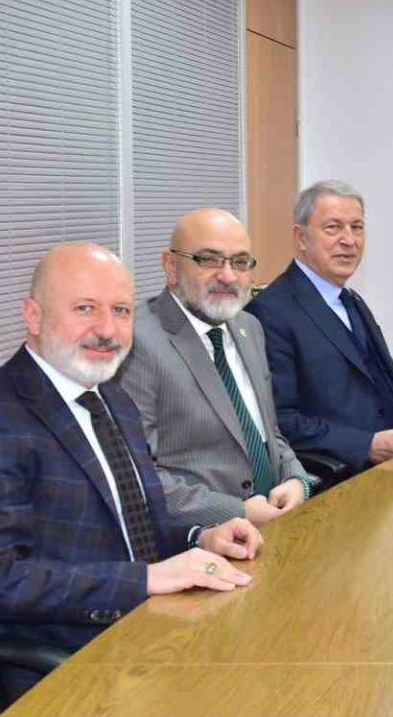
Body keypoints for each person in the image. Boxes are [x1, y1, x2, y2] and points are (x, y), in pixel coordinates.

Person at [0, 242, 262, 717]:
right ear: (33, 316)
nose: (107, 329)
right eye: (85, 308)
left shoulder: (110, 399)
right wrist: (146, 579)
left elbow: (131, 523)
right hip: (35, 679)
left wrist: (201, 536)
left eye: (121, 311)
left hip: (136, 640)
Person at [119, 209, 310, 528]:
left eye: (240, 262)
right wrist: (238, 512)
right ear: (170, 266)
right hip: (201, 540)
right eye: (209, 260)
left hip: (277, 524)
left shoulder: (249, 327)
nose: (228, 276)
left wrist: (296, 479)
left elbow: (267, 432)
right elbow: (139, 476)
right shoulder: (136, 342)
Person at [247, 180, 393, 477]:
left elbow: (371, 391)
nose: (349, 240)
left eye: (357, 227)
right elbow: (278, 420)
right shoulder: (269, 312)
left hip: (392, 472)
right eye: (333, 228)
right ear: (301, 237)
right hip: (335, 482)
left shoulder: (350, 300)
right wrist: (365, 445)